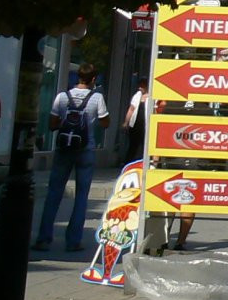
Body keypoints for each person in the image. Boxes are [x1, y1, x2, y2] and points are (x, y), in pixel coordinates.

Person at [34, 63, 110, 253]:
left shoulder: (62, 96)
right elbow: (105, 123)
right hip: (86, 149)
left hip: (63, 149)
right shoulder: (97, 97)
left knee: (54, 193)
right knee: (81, 196)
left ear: (78, 77)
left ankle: (44, 238)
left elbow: (52, 124)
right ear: (93, 79)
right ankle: (73, 241)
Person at [122, 76, 148, 161]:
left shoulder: (153, 96)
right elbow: (131, 109)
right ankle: (127, 162)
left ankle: (146, 162)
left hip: (147, 125)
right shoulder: (137, 95)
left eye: (142, 86)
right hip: (135, 125)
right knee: (133, 145)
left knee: (146, 145)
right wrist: (126, 122)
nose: (140, 88)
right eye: (139, 86)